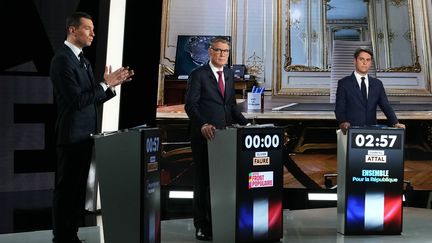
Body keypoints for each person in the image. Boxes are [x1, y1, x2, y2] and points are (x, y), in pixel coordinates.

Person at [50, 12, 134, 243]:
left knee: (77, 191)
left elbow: (90, 99)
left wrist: (110, 86)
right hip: (71, 136)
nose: (93, 33)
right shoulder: (62, 60)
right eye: (88, 28)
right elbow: (76, 100)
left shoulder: (83, 60)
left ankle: (71, 235)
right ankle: (62, 237)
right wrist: (104, 83)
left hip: (85, 136)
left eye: (93, 29)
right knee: (66, 189)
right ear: (73, 30)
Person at [184, 36, 249, 241]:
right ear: (210, 52)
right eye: (218, 50)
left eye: (226, 51)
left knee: (222, 183)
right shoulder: (198, 74)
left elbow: (229, 106)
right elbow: (190, 106)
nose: (222, 54)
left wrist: (247, 124)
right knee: (203, 182)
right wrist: (203, 123)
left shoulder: (229, 74)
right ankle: (201, 225)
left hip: (225, 138)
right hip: (204, 136)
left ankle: (218, 221)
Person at [335, 47, 405, 134]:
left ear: (370, 63)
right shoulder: (344, 83)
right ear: (355, 61)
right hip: (350, 131)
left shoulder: (377, 84)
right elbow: (339, 108)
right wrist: (342, 122)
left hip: (371, 132)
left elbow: (386, 106)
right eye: (361, 59)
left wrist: (395, 123)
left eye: (368, 60)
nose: (365, 63)